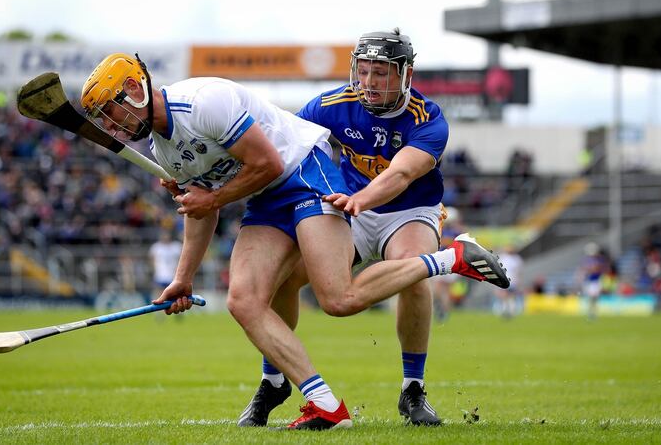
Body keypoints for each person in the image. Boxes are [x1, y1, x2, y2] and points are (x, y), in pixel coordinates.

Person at [80, 52, 507, 430]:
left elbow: (265, 164)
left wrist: (211, 196)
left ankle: (450, 260)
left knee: (338, 299)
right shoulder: (164, 151)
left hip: (305, 177)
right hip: (266, 197)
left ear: (134, 90)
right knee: (243, 299)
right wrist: (183, 277)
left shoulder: (202, 102)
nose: (111, 126)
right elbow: (202, 209)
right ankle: (321, 403)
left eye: (110, 112)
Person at [238, 29, 510, 428]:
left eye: (380, 73)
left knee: (412, 272)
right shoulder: (331, 104)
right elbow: (286, 145)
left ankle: (413, 389)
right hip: (350, 207)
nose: (368, 83)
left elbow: (401, 175)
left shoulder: (428, 118)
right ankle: (273, 380)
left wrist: (361, 200)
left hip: (409, 210)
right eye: (363, 72)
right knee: (285, 278)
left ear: (406, 74)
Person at [493, 244, 524, 319]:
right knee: (506, 296)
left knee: (508, 296)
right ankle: (507, 311)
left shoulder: (516, 259)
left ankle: (508, 311)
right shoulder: (505, 258)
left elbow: (519, 272)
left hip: (512, 280)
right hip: (506, 280)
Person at [148, 230, 183, 295]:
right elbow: (152, 259)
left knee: (173, 294)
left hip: (173, 275)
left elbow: (182, 258)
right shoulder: (156, 247)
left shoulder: (176, 246)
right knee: (159, 293)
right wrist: (155, 269)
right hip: (160, 274)